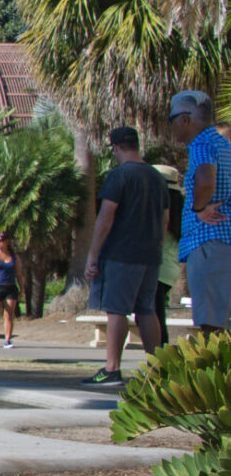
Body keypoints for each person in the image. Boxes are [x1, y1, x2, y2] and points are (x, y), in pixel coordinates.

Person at [82, 126, 170, 386]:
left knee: (116, 310)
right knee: (147, 309)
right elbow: (165, 218)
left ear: (116, 147)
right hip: (150, 254)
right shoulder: (156, 177)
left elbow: (106, 216)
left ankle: (112, 368)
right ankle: (155, 369)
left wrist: (93, 254)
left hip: (122, 253)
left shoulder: (119, 176)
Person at [171, 90, 230, 334]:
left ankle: (213, 369)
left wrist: (199, 208)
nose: (171, 126)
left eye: (171, 119)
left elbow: (206, 177)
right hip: (222, 241)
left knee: (211, 324)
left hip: (208, 241)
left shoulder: (203, 143)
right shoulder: (223, 144)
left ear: (185, 119)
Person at [153, 165, 184, 346]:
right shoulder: (179, 209)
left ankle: (160, 361)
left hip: (157, 268)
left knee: (152, 317)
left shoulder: (161, 209)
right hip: (170, 269)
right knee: (155, 315)